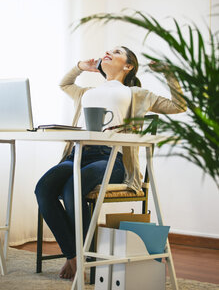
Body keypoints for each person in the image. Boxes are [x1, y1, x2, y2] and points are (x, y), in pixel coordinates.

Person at [35, 46, 187, 281]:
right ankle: (75, 257)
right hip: (78, 155)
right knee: (43, 188)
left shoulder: (137, 93)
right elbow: (64, 84)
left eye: (116, 52)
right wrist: (79, 67)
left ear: (128, 66)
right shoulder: (86, 92)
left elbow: (179, 106)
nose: (108, 52)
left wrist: (169, 73)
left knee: (72, 187)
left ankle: (79, 258)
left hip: (112, 158)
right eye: (107, 50)